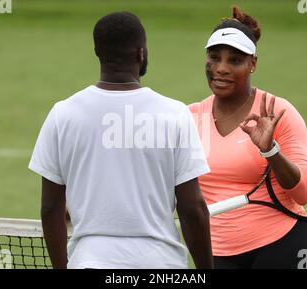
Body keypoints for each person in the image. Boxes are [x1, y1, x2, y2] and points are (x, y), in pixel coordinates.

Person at [29, 11, 213, 269]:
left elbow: (50, 208)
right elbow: (192, 208)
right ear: (141, 53)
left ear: (97, 52)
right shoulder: (175, 114)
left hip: (89, 262)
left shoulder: (63, 114)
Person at [189, 6, 307, 269]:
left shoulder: (278, 112)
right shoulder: (188, 118)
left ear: (253, 64)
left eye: (235, 60)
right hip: (217, 253)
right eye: (214, 57)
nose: (222, 68)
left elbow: (305, 192)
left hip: (284, 244)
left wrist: (271, 150)